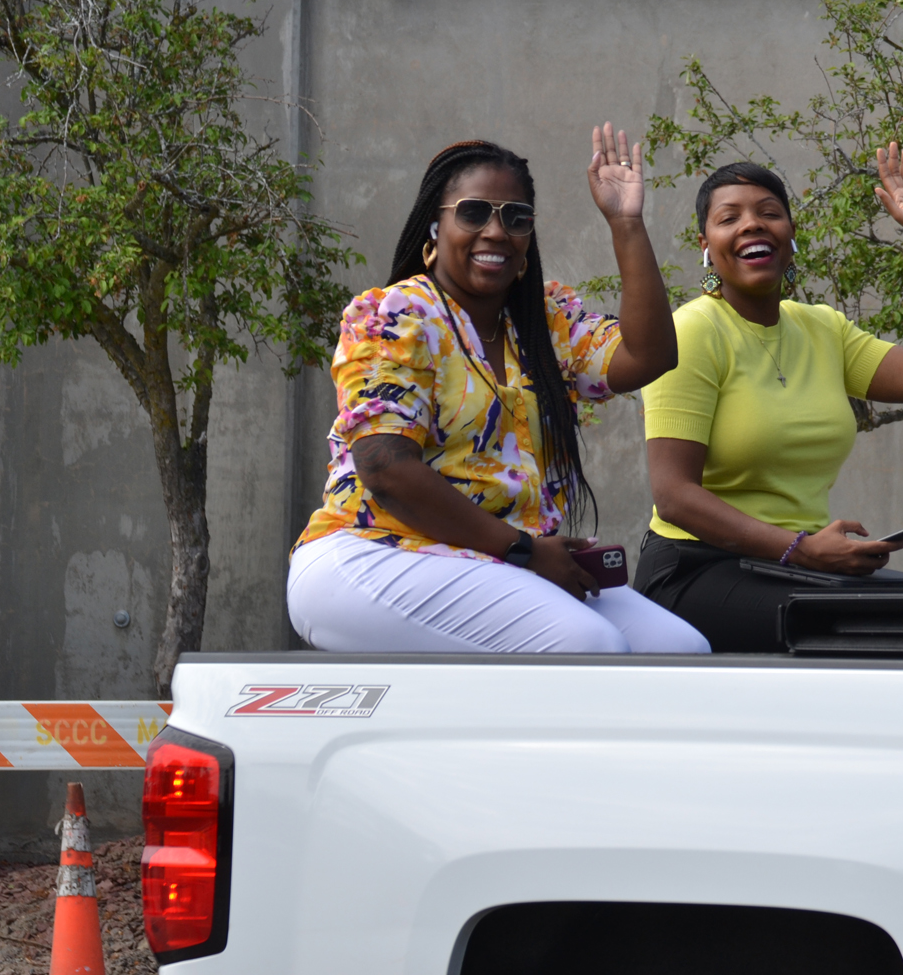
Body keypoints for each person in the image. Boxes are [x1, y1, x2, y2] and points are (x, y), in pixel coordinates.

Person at [288, 128, 710, 654]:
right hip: (372, 551)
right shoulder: (397, 316)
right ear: (434, 228)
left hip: (502, 561)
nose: (495, 231)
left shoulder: (542, 323)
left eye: (516, 218)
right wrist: (525, 552)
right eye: (472, 213)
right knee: (588, 645)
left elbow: (648, 357)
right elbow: (385, 468)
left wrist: (625, 223)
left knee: (681, 653)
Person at [636, 142, 903, 651]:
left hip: (797, 566)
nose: (752, 224)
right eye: (731, 218)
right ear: (707, 245)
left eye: (770, 213)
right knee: (862, 629)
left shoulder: (822, 328)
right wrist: (803, 550)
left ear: (791, 238)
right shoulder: (690, 332)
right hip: (695, 568)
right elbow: (674, 495)